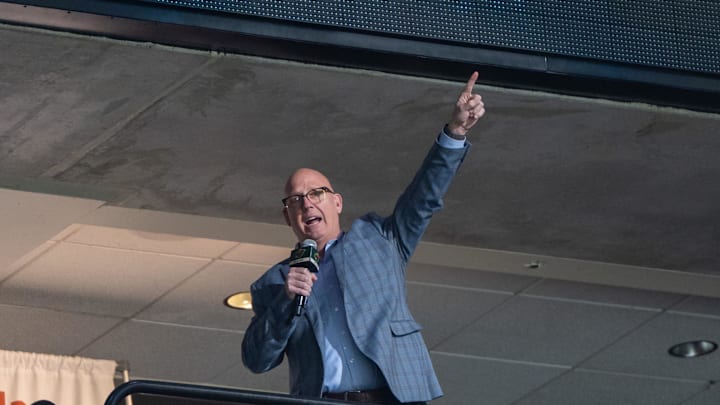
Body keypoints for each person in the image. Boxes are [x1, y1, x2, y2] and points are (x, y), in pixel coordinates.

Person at [242, 72, 486, 404]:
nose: (307, 202)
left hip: (393, 397)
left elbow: (424, 197)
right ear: (288, 216)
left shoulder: (380, 239)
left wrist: (455, 132)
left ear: (337, 202)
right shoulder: (273, 283)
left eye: (317, 193)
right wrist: (287, 299)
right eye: (296, 200)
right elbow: (257, 360)